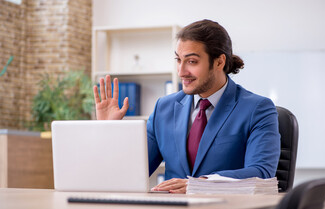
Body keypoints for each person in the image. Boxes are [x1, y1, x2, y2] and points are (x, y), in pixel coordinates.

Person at [93, 19, 280, 194]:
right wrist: (109, 132)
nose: (181, 71)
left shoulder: (257, 109)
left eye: (192, 61)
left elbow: (261, 173)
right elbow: (132, 174)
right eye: (178, 60)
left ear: (219, 62)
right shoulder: (164, 108)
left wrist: (201, 185)